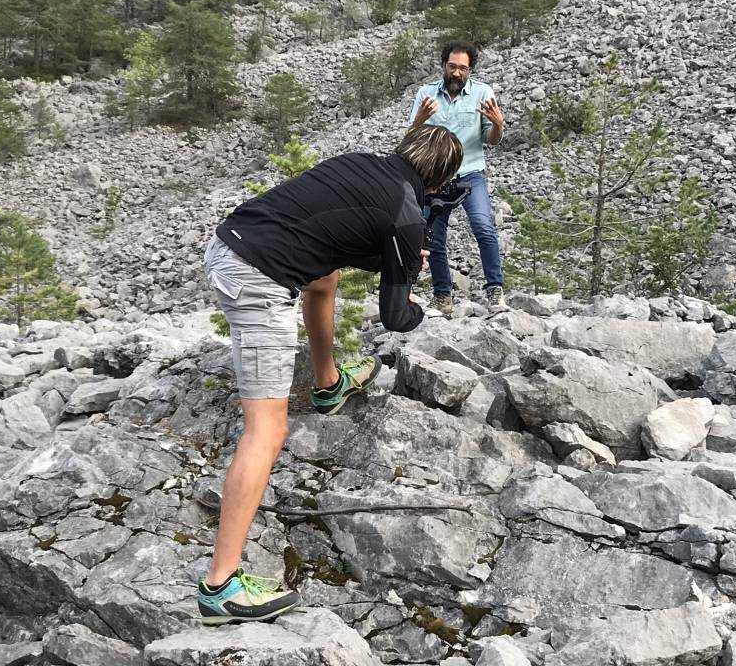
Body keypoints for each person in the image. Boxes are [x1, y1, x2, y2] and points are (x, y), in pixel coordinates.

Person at [197, 125, 463, 624]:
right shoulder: (408, 215)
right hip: (256, 277)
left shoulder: (360, 163)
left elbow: (333, 236)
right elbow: (396, 318)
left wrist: (391, 255)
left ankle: (327, 383)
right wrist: (414, 288)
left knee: (326, 273)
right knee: (267, 429)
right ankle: (221, 587)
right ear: (439, 181)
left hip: (232, 239)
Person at [408, 41, 507, 315]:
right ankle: (443, 296)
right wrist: (419, 119)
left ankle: (495, 290)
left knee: (483, 226)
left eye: (462, 68)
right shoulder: (426, 94)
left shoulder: (483, 93)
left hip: (471, 173)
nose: (456, 73)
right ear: (443, 65)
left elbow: (493, 140)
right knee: (433, 238)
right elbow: (412, 138)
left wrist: (497, 123)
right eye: (452, 66)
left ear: (470, 69)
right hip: (434, 176)